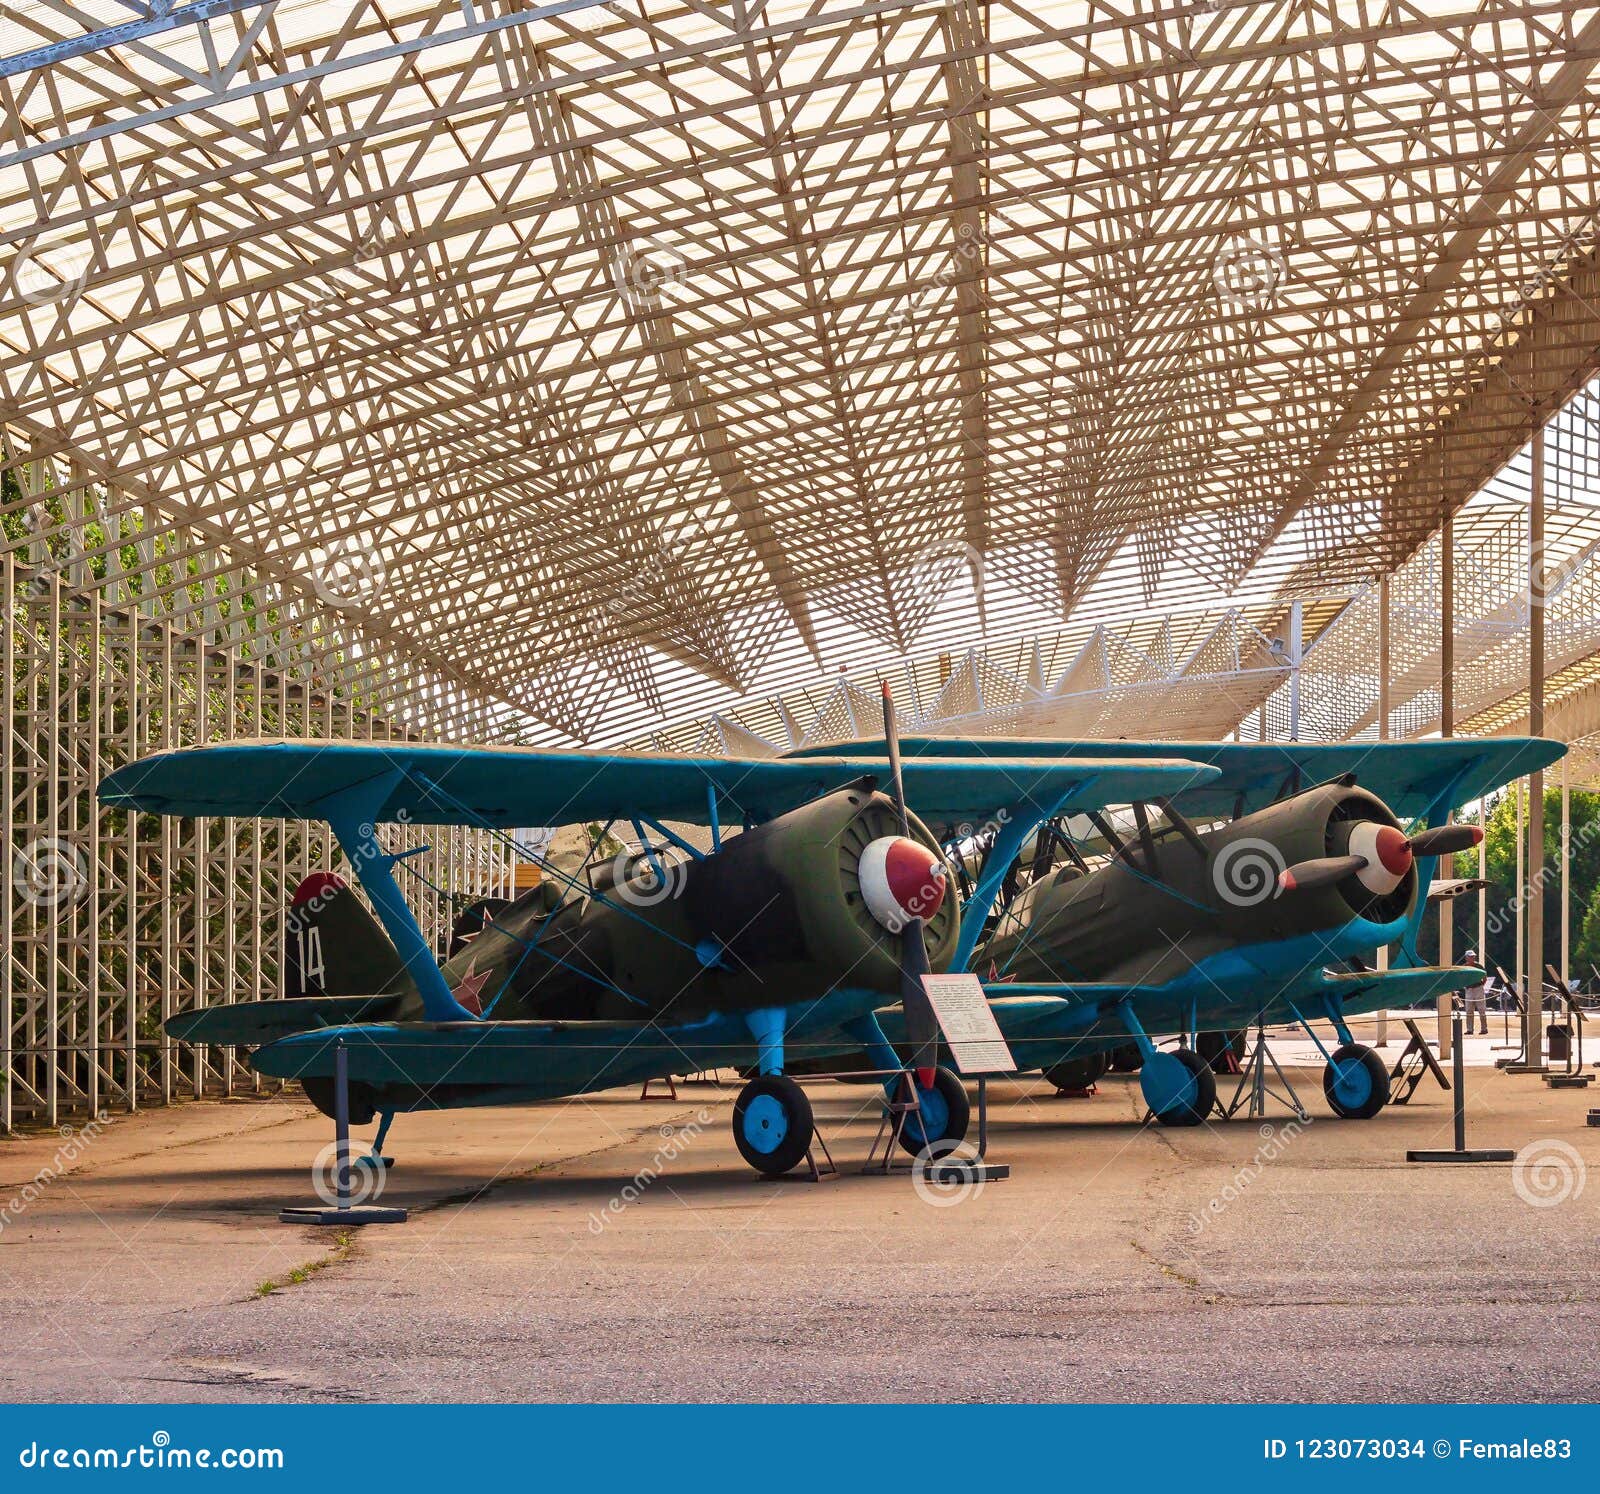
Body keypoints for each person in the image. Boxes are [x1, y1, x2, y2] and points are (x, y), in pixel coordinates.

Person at [1461, 949, 1488, 1035]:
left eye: (1473, 956)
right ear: (1466, 958)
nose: (1472, 958)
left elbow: (1484, 978)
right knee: (1469, 1010)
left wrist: (1480, 986)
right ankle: (1470, 1029)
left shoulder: (1479, 966)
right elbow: (1461, 978)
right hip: (1469, 989)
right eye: (1470, 957)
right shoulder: (1464, 967)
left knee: (1481, 1009)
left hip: (1478, 988)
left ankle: (1484, 1028)